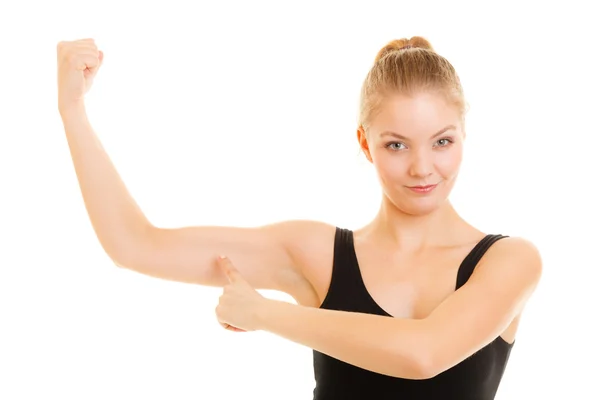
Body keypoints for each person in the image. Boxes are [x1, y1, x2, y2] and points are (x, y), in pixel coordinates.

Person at [56, 36, 542, 399]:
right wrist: (72, 111)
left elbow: (423, 355)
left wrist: (266, 314)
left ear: (463, 136)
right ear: (364, 145)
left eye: (442, 141)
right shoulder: (315, 254)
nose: (422, 167)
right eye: (396, 144)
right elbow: (136, 245)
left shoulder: (509, 261)